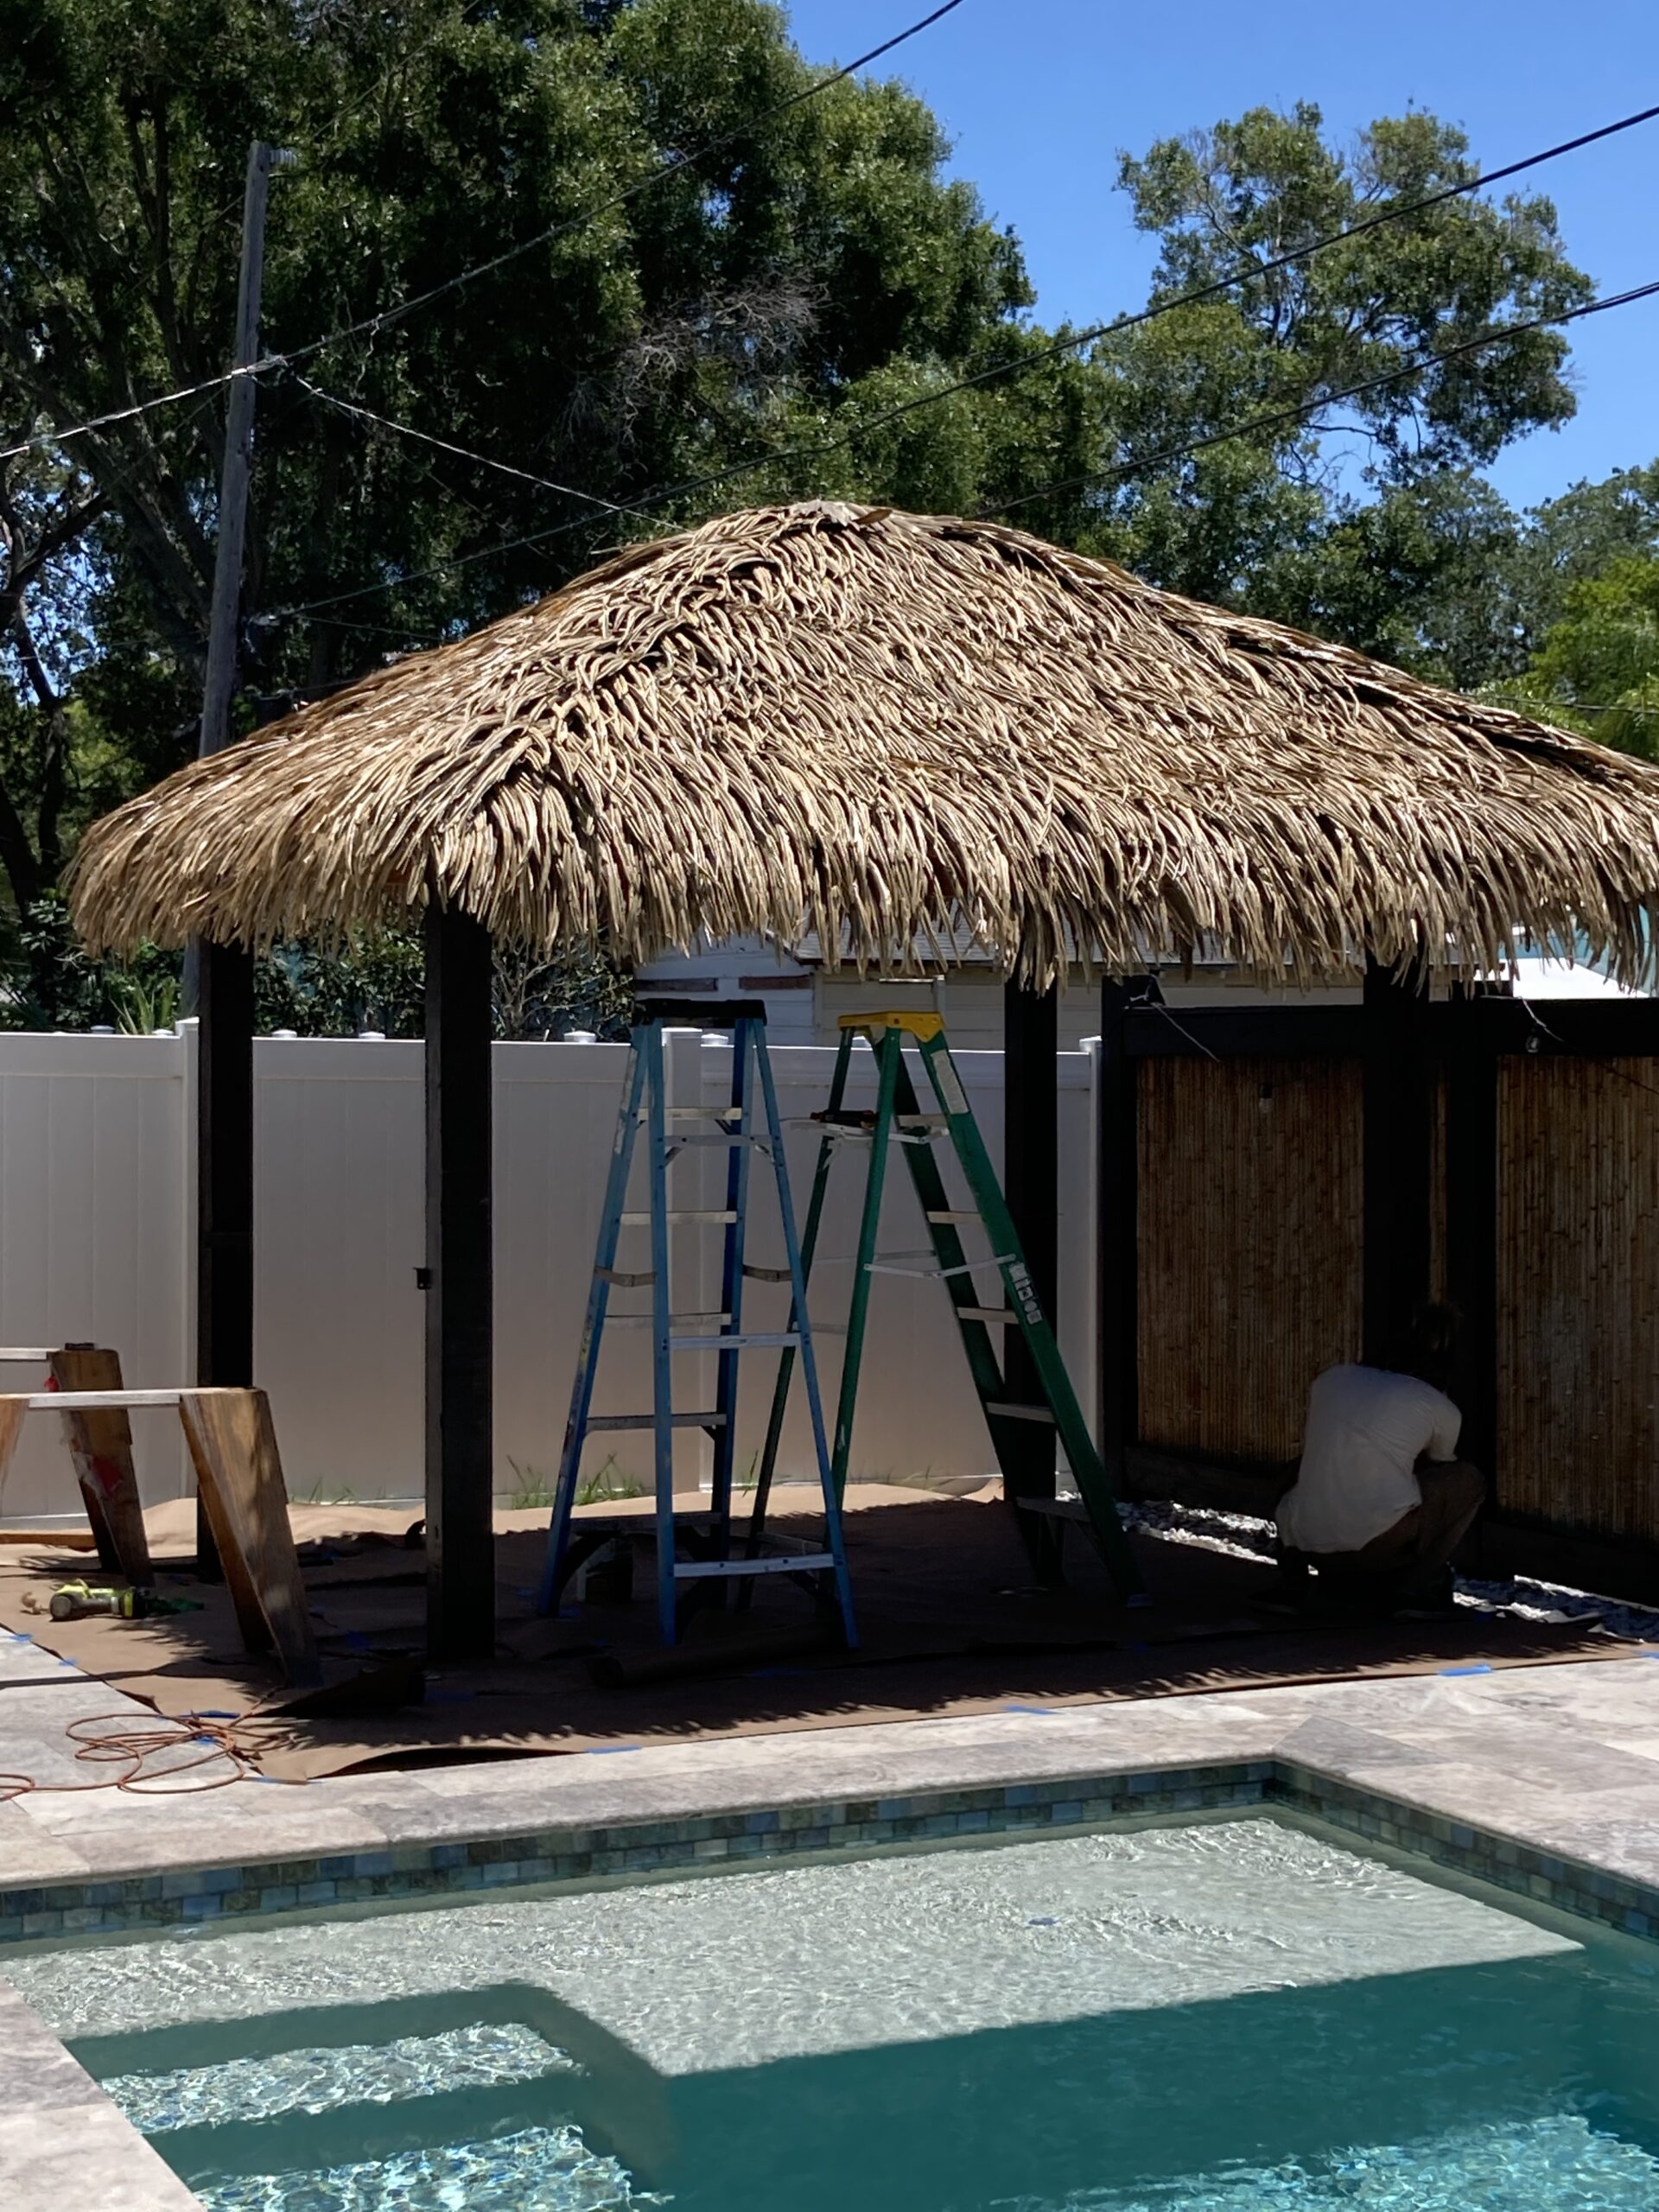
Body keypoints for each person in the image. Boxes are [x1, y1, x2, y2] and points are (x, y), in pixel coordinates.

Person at [1274, 1305, 1485, 1613]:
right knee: (1468, 1480)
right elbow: (1440, 1462)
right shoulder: (1437, 1405)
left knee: (1301, 1466)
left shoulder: (1331, 1379)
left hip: (1306, 1543)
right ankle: (1415, 1588)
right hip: (1376, 1546)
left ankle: (1292, 1580)